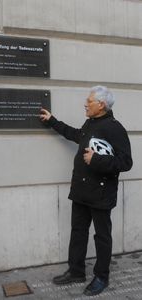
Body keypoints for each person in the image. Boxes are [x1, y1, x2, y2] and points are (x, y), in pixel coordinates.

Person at [40, 86, 133, 296]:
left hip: (101, 194)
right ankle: (76, 271)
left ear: (101, 105)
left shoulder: (114, 128)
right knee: (78, 232)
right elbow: (76, 135)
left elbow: (126, 162)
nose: (85, 103)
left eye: (89, 101)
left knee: (102, 236)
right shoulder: (91, 123)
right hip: (81, 189)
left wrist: (97, 160)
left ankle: (102, 276)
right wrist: (52, 121)